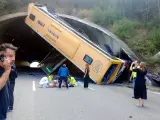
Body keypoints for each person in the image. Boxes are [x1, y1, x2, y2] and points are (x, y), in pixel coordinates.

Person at [0, 43, 17, 120]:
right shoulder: (6, 69)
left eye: (11, 56)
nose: (8, 59)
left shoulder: (8, 67)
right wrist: (7, 71)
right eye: (4, 56)